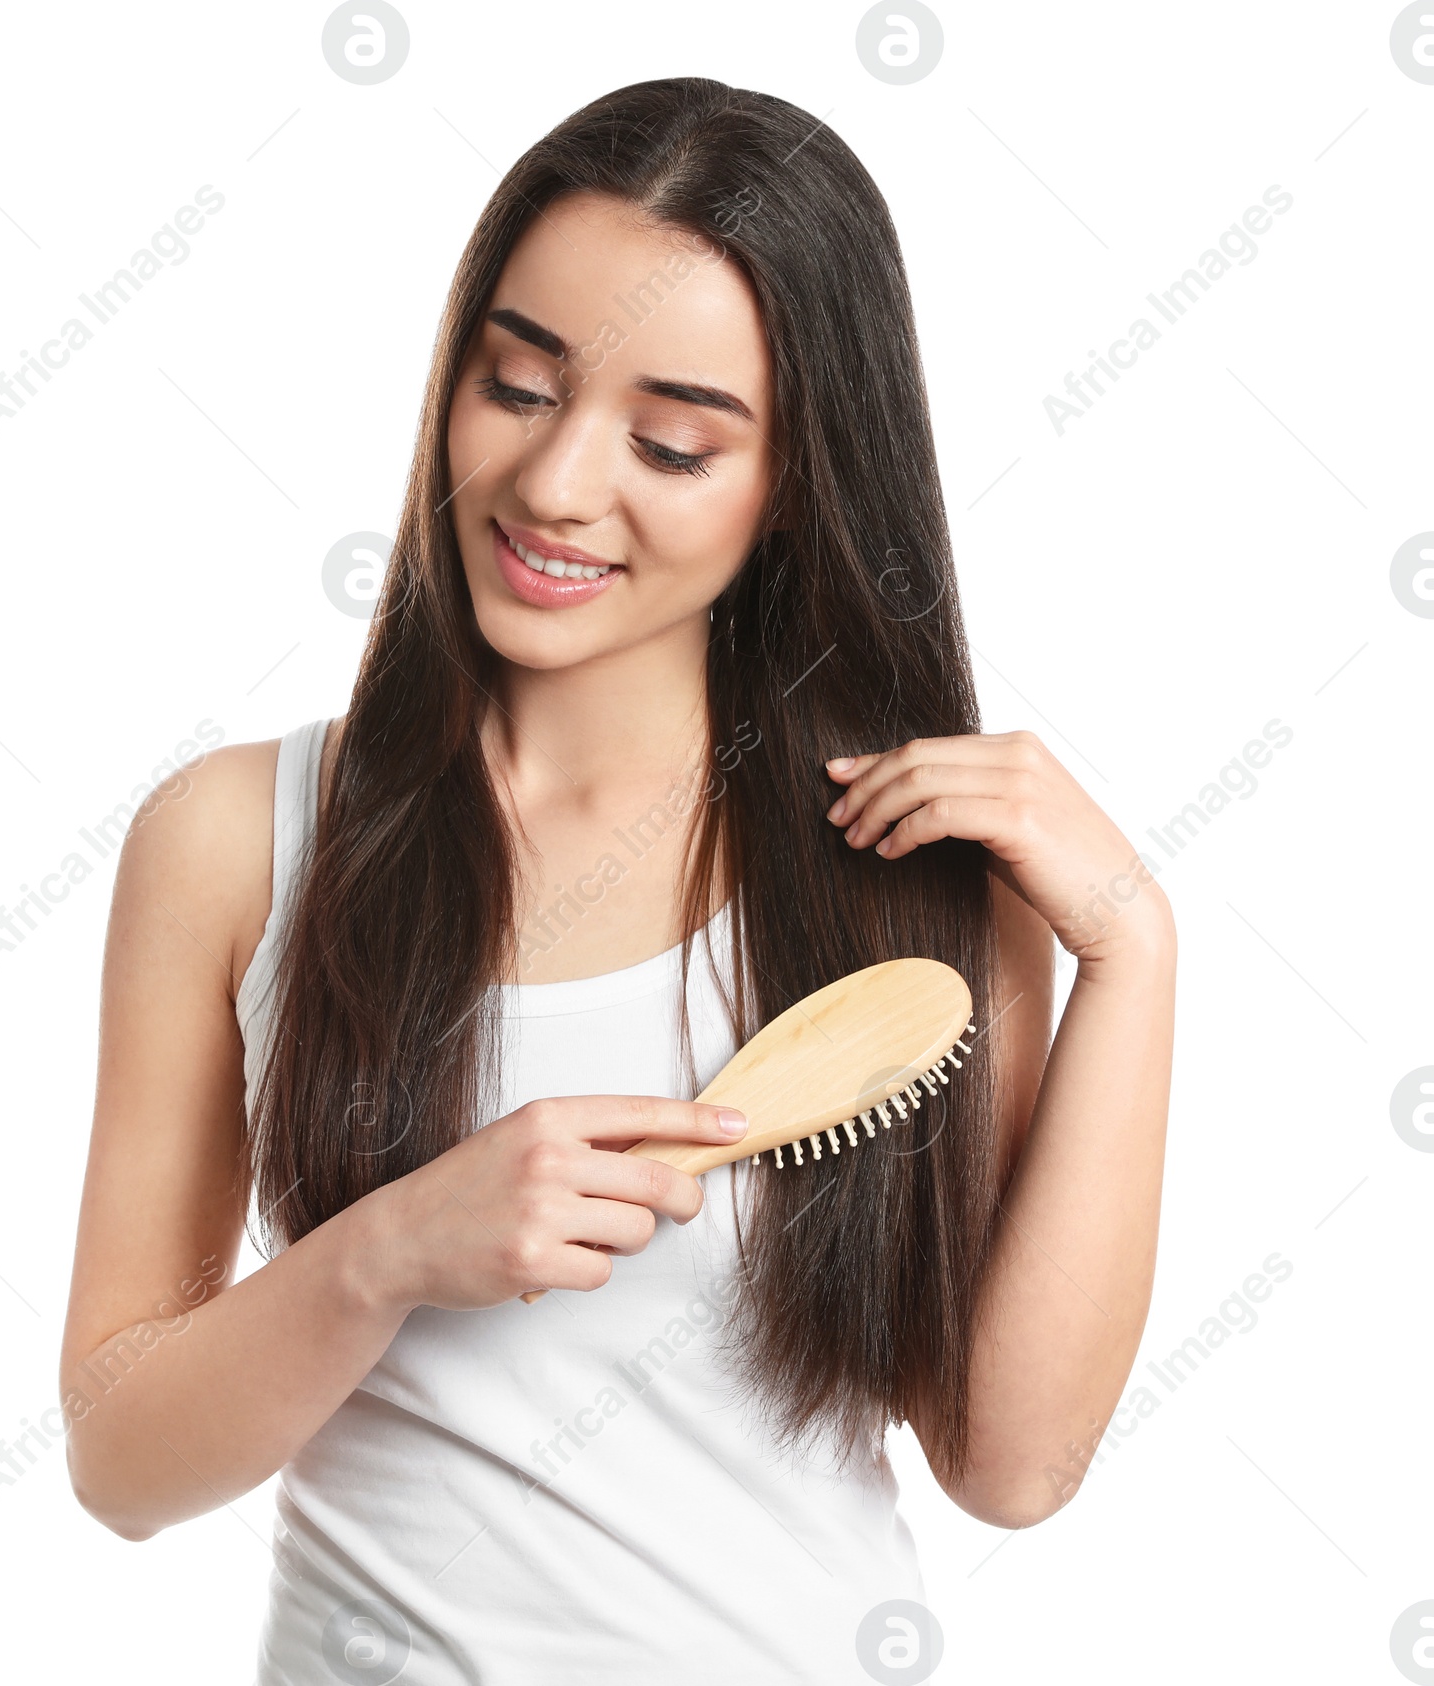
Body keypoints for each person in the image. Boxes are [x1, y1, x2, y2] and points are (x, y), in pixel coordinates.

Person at [60, 77, 1176, 1684]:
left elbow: (1010, 1464)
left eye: (669, 440)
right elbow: (119, 1461)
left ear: (795, 479)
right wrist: (388, 1250)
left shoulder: (910, 878)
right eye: (518, 386)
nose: (561, 484)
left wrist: (1133, 950)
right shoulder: (240, 837)